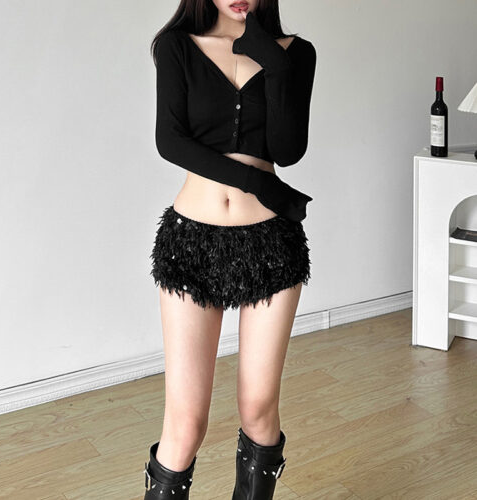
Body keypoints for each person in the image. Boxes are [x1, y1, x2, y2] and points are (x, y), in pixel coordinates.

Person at [145, 0, 317, 498]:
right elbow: (171, 141)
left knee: (259, 409)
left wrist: (275, 62)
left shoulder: (295, 53)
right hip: (192, 242)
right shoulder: (177, 46)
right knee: (185, 424)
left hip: (271, 242)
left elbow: (287, 150)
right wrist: (256, 182)